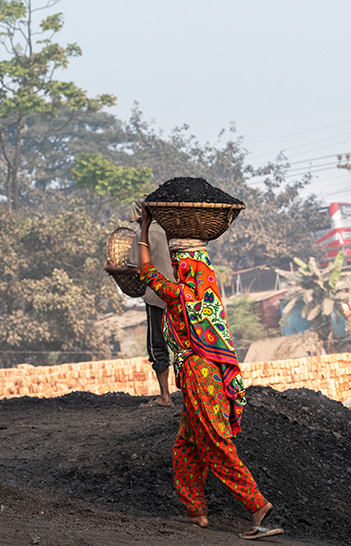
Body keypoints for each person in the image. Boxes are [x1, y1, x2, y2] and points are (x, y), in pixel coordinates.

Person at [137, 205, 282, 541]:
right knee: (186, 444)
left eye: (176, 265)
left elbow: (145, 271)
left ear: (182, 267)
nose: (173, 269)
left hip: (197, 377)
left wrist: (145, 228)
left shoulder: (178, 295)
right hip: (208, 374)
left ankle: (257, 505)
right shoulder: (207, 294)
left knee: (216, 443)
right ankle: (195, 511)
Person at [104, 199, 174, 407]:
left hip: (157, 296)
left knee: (157, 347)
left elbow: (138, 268)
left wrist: (114, 270)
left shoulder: (145, 233)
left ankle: (165, 396)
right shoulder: (172, 230)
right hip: (180, 293)